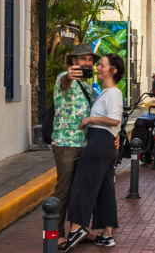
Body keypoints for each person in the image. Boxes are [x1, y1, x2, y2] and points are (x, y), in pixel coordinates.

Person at [62, 55, 127, 249]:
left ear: (113, 71)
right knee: (105, 190)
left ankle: (76, 228)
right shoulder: (106, 92)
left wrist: (89, 120)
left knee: (83, 184)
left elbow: (114, 120)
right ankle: (106, 234)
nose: (98, 68)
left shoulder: (113, 93)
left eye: (102, 65)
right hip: (104, 143)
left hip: (99, 142)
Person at [50, 44, 99, 237]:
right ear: (73, 61)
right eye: (83, 59)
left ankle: (77, 229)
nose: (87, 63)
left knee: (78, 189)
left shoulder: (87, 86)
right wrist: (68, 76)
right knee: (63, 189)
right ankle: (56, 234)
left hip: (84, 144)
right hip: (66, 143)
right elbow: (64, 82)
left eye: (90, 60)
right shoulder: (63, 77)